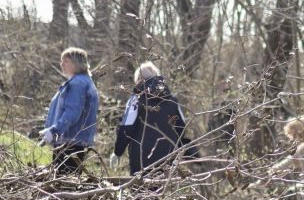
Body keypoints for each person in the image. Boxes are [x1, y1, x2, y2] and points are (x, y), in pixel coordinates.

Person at [112, 62, 196, 175]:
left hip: (140, 160)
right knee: (161, 191)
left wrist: (117, 152)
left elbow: (126, 129)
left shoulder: (135, 100)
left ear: (138, 80)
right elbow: (181, 129)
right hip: (167, 159)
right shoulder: (172, 100)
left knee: (140, 191)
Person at [40, 47, 99, 175]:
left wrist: (54, 131)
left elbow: (72, 114)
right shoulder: (84, 82)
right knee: (69, 183)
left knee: (64, 184)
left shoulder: (77, 84)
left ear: (76, 63)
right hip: (74, 142)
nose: (61, 64)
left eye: (65, 61)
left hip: (69, 143)